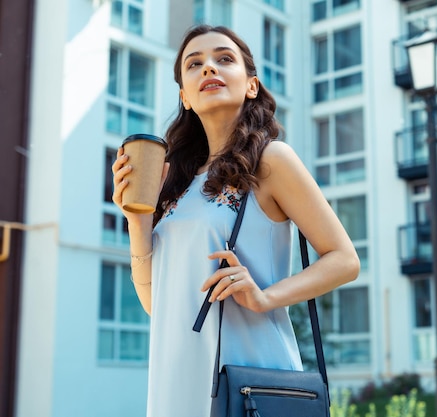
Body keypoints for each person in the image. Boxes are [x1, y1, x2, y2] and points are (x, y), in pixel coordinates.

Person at [111, 24, 359, 416]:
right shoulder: (174, 182)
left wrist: (264, 297)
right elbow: (160, 305)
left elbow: (345, 260)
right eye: (195, 64)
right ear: (184, 97)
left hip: (250, 383)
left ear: (251, 86)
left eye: (224, 59)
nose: (208, 68)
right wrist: (137, 222)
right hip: (177, 381)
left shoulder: (272, 161)